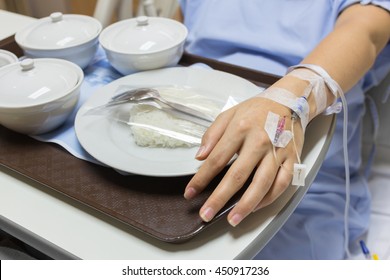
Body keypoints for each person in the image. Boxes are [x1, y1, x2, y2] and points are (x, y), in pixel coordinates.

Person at [176, 0, 390, 259]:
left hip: (301, 183)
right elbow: (176, 37)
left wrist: (287, 102)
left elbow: (365, 32)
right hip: (185, 152)